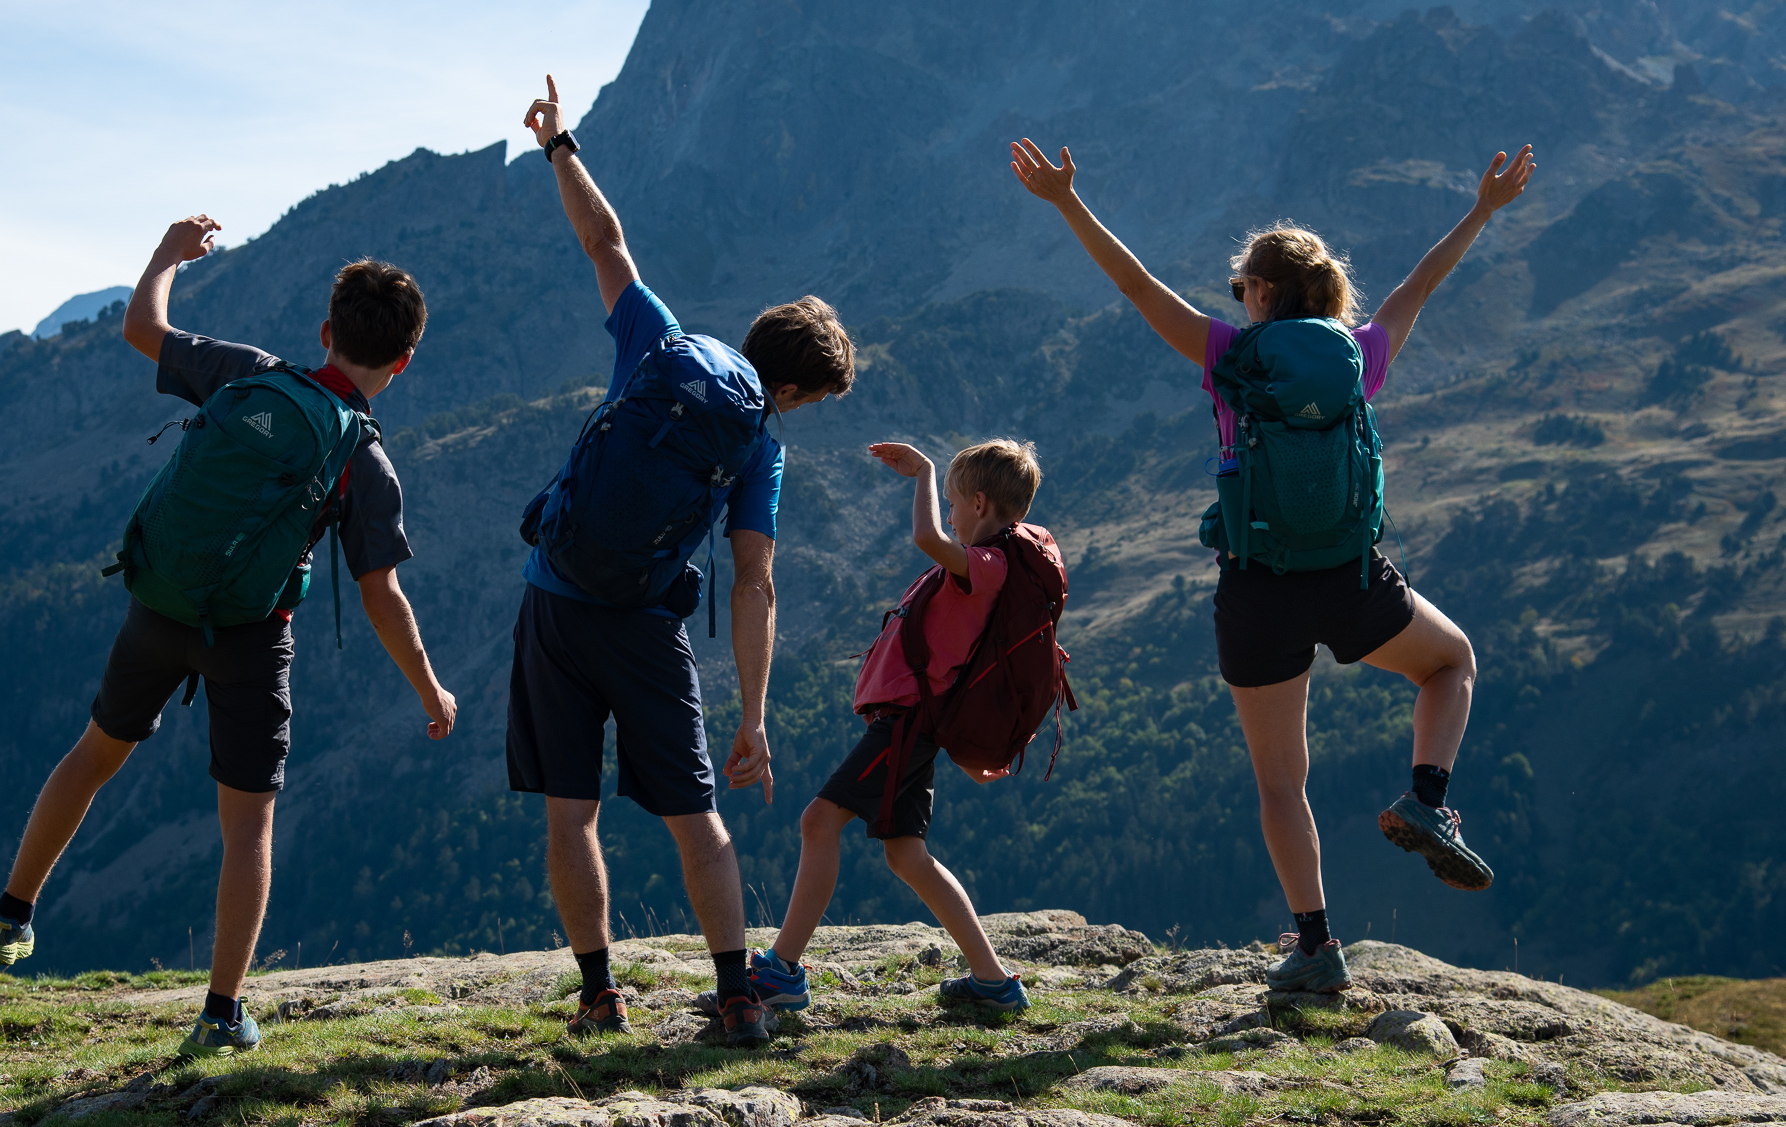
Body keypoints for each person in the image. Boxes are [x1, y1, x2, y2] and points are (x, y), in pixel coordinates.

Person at [1011, 137, 1536, 992]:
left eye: (1240, 287)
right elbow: (1418, 287)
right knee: (1452, 663)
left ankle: (1317, 946)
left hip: (1257, 590)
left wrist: (1068, 202)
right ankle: (1429, 795)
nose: (1238, 298)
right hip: (1351, 577)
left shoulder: (1231, 357)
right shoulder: (1358, 358)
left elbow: (1136, 285)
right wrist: (1481, 209)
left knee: (1282, 783)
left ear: (1260, 291)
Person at [0, 215, 459, 1056]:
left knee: (94, 752)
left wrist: (168, 254)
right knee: (248, 825)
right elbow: (382, 596)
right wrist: (430, 689)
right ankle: (221, 1013)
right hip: (251, 640)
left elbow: (141, 327)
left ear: (326, 332)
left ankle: (10, 913)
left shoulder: (249, 373)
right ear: (402, 363)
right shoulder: (365, 461)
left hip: (159, 605)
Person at [515, 77, 855, 1048]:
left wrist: (560, 147)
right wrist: (753, 714)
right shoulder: (758, 447)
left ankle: (599, 993)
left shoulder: (660, 342)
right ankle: (737, 994)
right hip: (644, 624)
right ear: (792, 390)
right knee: (695, 816)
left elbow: (605, 241)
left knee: (570, 813)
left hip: (555, 596)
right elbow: (754, 582)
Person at [734, 439, 1046, 1017]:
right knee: (906, 855)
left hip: (907, 725)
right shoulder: (986, 564)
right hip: (909, 723)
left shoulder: (990, 565)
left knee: (818, 821)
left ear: (979, 504)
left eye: (953, 502)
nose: (949, 513)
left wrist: (925, 472)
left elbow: (927, 538)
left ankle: (781, 972)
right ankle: (994, 982)